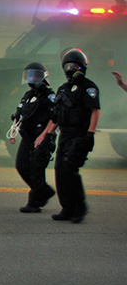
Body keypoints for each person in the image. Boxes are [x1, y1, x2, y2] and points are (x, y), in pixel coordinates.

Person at [33, 48, 99, 224]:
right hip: (65, 134)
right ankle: (67, 209)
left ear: (83, 67)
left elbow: (95, 111)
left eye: (75, 65)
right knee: (60, 171)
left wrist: (90, 134)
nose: (71, 68)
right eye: (68, 65)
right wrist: (47, 135)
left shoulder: (88, 87)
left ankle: (80, 208)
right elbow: (57, 115)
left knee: (71, 170)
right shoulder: (63, 89)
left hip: (79, 134)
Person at [12, 63, 56, 213]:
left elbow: (55, 117)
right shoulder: (28, 95)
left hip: (41, 137)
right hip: (27, 136)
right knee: (21, 165)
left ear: (43, 77)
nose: (32, 78)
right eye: (30, 75)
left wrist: (45, 135)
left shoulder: (49, 96)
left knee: (37, 169)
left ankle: (35, 202)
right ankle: (44, 191)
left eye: (36, 75)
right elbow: (21, 112)